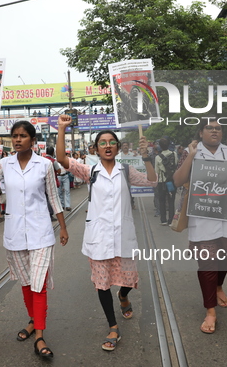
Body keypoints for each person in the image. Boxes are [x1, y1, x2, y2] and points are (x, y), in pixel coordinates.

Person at [56, 114, 156, 351]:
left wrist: (147, 158)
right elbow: (62, 158)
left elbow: (152, 182)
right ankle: (112, 327)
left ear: (118, 147)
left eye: (112, 142)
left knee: (129, 280)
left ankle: (123, 296)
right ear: (96, 149)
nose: (108, 145)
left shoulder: (126, 171)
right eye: (103, 143)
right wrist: (61, 128)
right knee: (102, 285)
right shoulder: (90, 171)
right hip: (98, 238)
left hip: (123, 235)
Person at [0, 121, 68, 359]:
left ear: (32, 140)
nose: (17, 140)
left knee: (39, 284)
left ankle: (39, 336)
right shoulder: (5, 164)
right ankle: (33, 321)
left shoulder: (44, 165)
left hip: (41, 233)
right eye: (14, 136)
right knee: (26, 283)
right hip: (15, 233)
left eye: (22, 136)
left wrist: (63, 227)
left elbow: (53, 197)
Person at [173, 119, 227, 334]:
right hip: (202, 218)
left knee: (226, 257)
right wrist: (191, 156)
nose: (214, 131)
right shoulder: (191, 152)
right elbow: (177, 180)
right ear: (201, 132)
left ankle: (218, 286)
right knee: (207, 264)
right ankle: (210, 310)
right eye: (209, 128)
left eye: (218, 128)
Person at [155, 137, 177, 226]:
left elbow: (156, 171)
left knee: (162, 201)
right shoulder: (174, 154)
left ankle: (163, 220)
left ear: (160, 146)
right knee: (171, 201)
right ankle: (171, 220)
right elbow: (176, 165)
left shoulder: (158, 157)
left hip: (162, 182)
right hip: (172, 181)